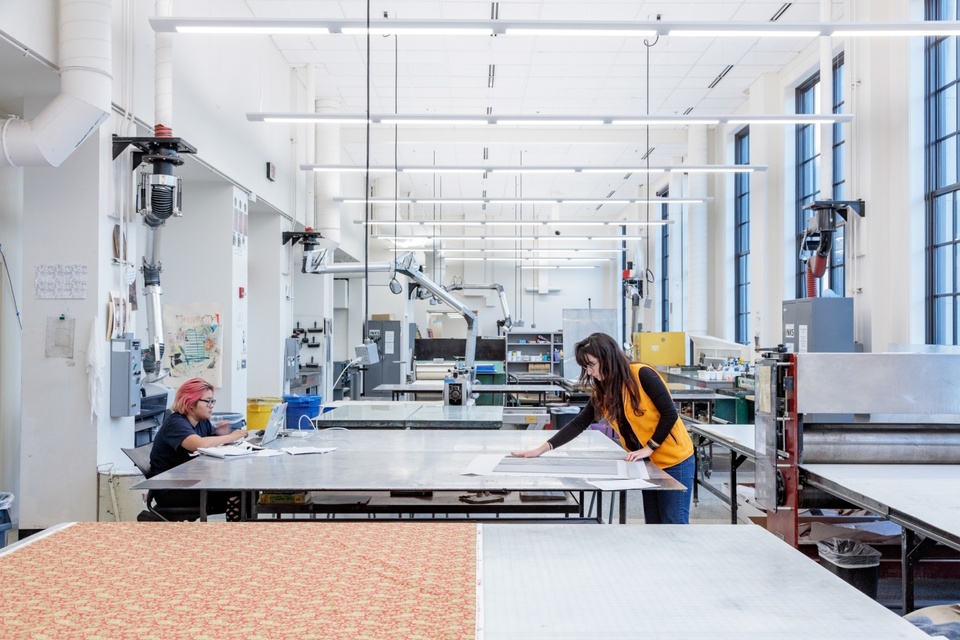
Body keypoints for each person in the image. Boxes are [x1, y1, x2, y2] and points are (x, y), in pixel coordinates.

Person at [512, 332, 695, 524]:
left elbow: (670, 414)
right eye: (586, 367)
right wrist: (540, 450)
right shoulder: (606, 388)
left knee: (673, 523)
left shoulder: (642, 374)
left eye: (591, 365)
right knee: (654, 523)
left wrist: (649, 447)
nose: (589, 372)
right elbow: (580, 422)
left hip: (675, 460)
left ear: (607, 357)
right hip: (648, 463)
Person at [148, 377, 248, 521]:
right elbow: (200, 444)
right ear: (190, 403)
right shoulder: (175, 423)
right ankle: (235, 535)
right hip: (171, 490)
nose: (211, 405)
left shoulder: (201, 421)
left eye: (212, 401)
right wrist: (231, 436)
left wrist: (221, 435)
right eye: (207, 401)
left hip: (190, 482)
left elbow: (211, 442)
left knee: (248, 492)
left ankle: (244, 533)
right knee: (240, 493)